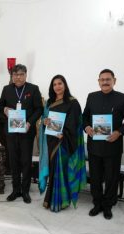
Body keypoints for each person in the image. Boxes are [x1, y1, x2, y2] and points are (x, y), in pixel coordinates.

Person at [82, 69, 124, 219]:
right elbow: (84, 117)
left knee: (111, 178)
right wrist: (87, 127)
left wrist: (119, 132)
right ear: (98, 81)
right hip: (94, 146)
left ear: (114, 81)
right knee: (96, 177)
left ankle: (108, 205)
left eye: (108, 79)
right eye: (102, 79)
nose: (105, 82)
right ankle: (97, 203)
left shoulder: (122, 98)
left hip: (113, 146)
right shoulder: (92, 97)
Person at [38, 75, 87, 212]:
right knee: (53, 169)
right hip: (51, 139)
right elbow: (44, 119)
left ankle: (62, 200)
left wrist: (64, 134)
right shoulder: (49, 102)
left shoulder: (73, 102)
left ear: (65, 85)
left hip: (64, 141)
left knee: (62, 170)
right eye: (54, 84)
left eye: (60, 83)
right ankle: (51, 198)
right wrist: (45, 121)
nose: (57, 87)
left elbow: (75, 123)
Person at [0, 64, 43, 204]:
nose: (18, 77)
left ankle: (25, 191)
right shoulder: (7, 89)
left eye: (21, 74)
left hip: (26, 132)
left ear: (26, 75)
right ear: (12, 76)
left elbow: (39, 109)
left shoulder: (33, 89)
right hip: (11, 132)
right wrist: (5, 109)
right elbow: (0, 106)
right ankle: (15, 190)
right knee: (13, 161)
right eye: (15, 74)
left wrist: (29, 123)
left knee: (26, 161)